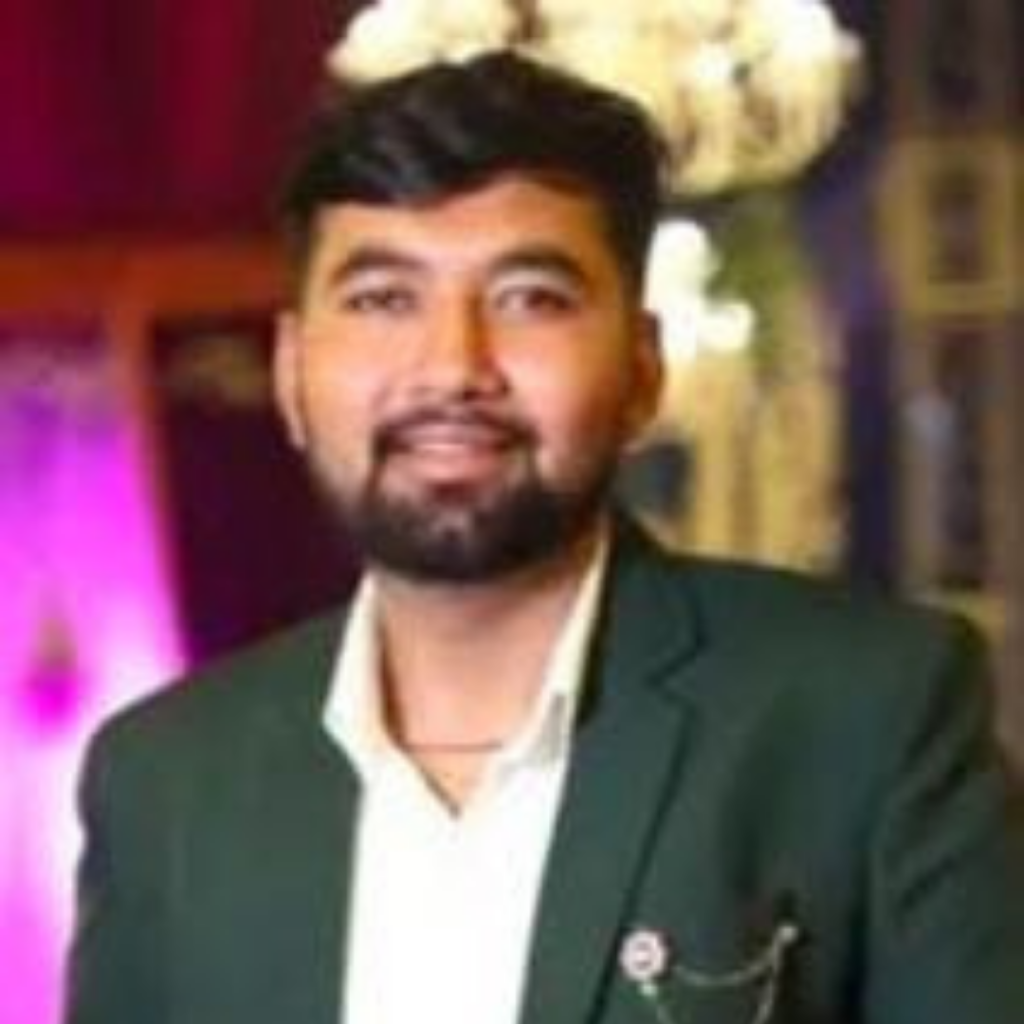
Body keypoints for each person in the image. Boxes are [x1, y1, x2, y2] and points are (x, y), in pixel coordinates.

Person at [64, 52, 1024, 1024]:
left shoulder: (865, 712)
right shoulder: (166, 780)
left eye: (530, 298)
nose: (452, 367)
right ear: (290, 372)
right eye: (383, 298)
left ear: (642, 369)